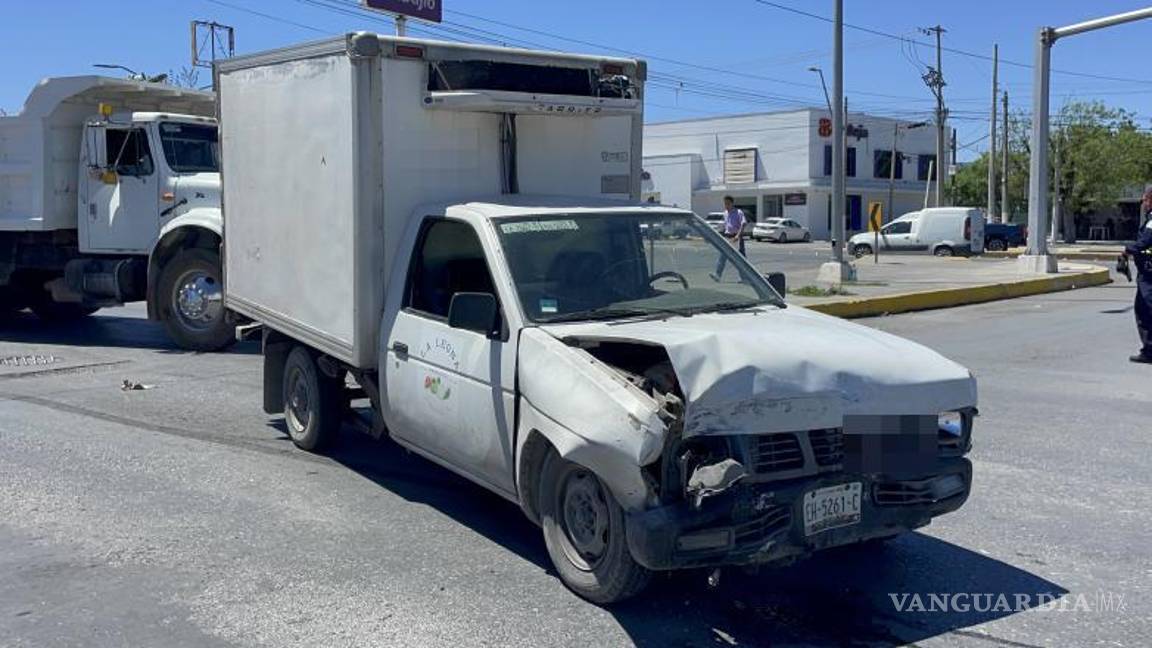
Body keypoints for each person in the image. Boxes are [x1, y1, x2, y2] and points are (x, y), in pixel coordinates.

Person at [1125, 188, 1152, 363]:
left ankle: (1149, 351)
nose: (1143, 204)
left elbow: (1145, 242)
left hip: (1149, 274)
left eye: (1144, 200)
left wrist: (1128, 249)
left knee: (1145, 310)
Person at [710, 196, 746, 281]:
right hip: (727, 237)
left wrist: (738, 235)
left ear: (732, 203)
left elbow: (743, 223)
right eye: (725, 203)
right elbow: (725, 226)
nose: (726, 205)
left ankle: (744, 277)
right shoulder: (725, 213)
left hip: (736, 238)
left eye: (728, 203)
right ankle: (717, 275)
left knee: (740, 259)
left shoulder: (738, 212)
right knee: (722, 256)